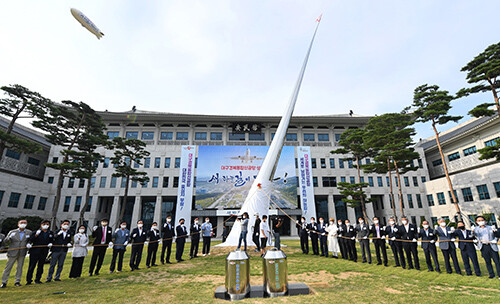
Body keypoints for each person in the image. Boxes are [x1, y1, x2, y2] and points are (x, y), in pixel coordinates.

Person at [1, 219, 32, 288]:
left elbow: (30, 240)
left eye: (24, 223)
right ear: (18, 224)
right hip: (12, 252)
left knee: (19, 267)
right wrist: (9, 238)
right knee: (8, 267)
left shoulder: (28, 232)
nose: (23, 224)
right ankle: (4, 282)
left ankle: (17, 281)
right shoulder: (12, 232)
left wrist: (29, 244)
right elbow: (5, 241)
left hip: (22, 252)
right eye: (21, 223)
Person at [26, 220, 54, 285]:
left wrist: (50, 243)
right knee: (32, 266)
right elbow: (30, 239)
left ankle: (38, 279)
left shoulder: (50, 233)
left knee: (40, 266)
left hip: (44, 251)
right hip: (35, 251)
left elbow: (52, 240)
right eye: (44, 224)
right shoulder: (36, 232)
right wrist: (35, 235)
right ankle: (29, 280)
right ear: (41, 225)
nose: (45, 225)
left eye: (47, 224)